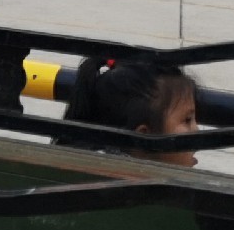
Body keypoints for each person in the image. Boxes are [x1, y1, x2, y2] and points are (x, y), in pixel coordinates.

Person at [64, 56, 200, 167]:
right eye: (187, 120)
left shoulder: (79, 167)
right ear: (144, 137)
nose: (197, 130)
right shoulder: (130, 191)